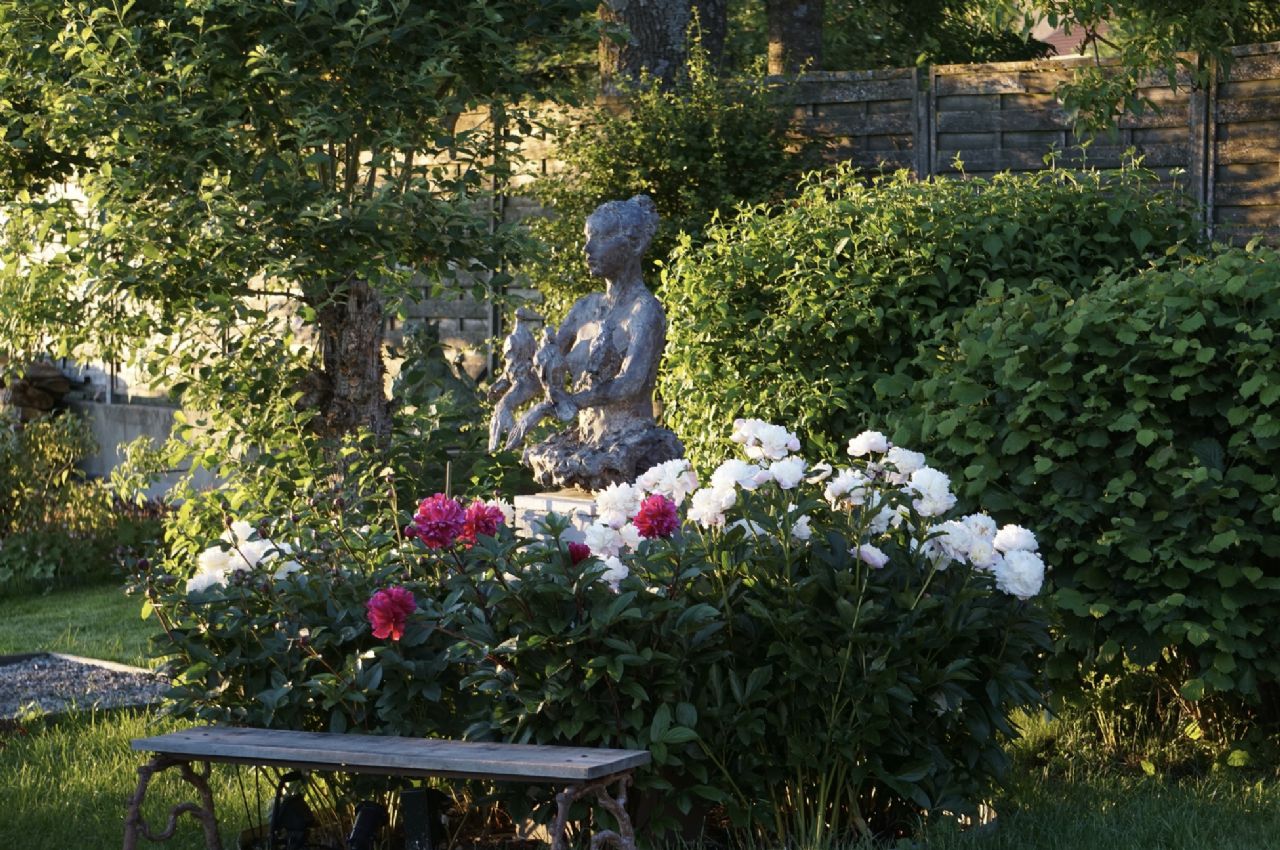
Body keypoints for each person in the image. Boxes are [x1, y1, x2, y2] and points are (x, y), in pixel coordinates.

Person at [499, 195, 681, 489]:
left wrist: (567, 403)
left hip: (627, 445)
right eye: (587, 238)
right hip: (585, 441)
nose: (587, 248)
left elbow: (630, 383)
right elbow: (542, 369)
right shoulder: (584, 309)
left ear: (634, 244)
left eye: (600, 238)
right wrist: (507, 403)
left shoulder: (644, 311)